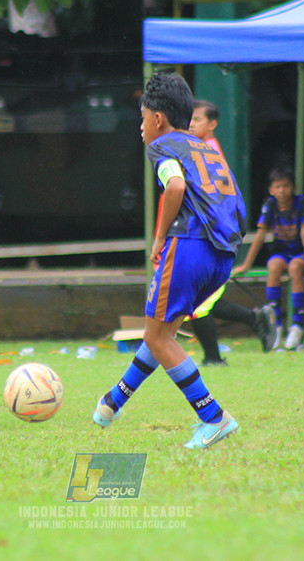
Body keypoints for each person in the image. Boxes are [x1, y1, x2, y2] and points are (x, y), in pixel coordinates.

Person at [92, 72, 245, 449]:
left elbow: (174, 185)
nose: (141, 127)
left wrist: (161, 236)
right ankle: (113, 403)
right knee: (161, 333)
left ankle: (213, 418)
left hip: (190, 246)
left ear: (158, 119)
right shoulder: (204, 146)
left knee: (158, 336)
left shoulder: (161, 146)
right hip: (222, 252)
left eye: (143, 118)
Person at [186, 99, 273, 363]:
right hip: (208, 234)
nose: (191, 125)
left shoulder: (206, 152)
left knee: (198, 302)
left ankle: (214, 358)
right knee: (201, 299)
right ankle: (253, 320)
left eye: (197, 120)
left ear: (212, 124)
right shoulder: (203, 149)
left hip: (210, 235)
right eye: (189, 119)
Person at [232, 168, 304, 350]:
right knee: (273, 265)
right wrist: (246, 264)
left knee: (295, 267)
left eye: (286, 186)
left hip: (299, 253)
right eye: (277, 187)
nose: (282, 190)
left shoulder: (301, 202)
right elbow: (260, 235)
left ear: (293, 187)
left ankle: (297, 325)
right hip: (281, 252)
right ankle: (276, 325)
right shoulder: (270, 205)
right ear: (271, 190)